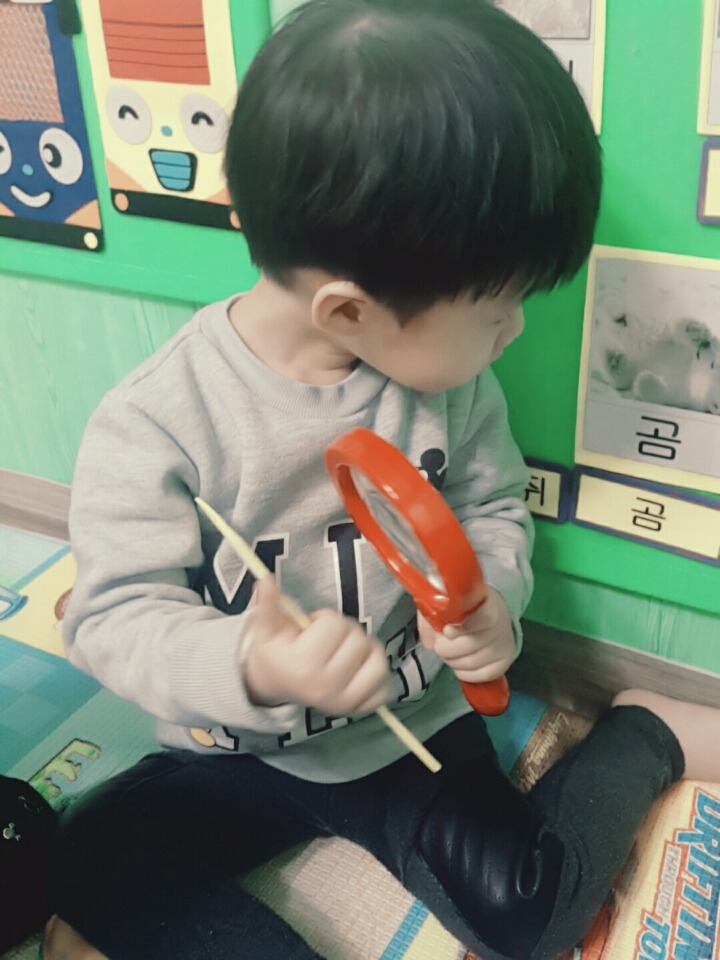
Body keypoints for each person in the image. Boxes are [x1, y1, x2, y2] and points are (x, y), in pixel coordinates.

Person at [43, 2, 720, 959]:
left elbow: (492, 509)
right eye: (498, 309)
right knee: (82, 858)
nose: (517, 331)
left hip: (410, 733)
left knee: (531, 920)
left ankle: (645, 732)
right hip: (229, 753)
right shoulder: (157, 422)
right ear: (349, 311)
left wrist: (492, 605)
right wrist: (249, 666)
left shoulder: (455, 390)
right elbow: (110, 618)